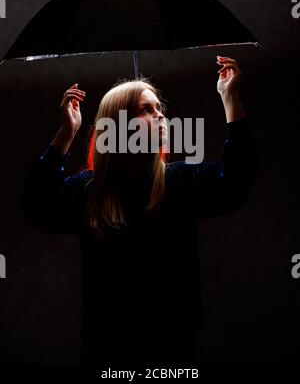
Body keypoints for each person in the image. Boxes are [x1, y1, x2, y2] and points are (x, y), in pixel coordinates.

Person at [21, 56, 260, 368]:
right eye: (147, 109)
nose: (160, 116)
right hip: (107, 346)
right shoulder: (90, 191)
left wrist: (230, 98)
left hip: (171, 345)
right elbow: (38, 206)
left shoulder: (179, 181)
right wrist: (67, 132)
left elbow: (236, 182)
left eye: (159, 108)